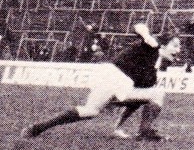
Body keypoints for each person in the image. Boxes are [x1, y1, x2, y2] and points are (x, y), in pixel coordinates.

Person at [21, 23, 181, 141]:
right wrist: (147, 36)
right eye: (175, 45)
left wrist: (117, 127)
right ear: (164, 45)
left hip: (111, 76)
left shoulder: (152, 70)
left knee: (90, 111)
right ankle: (145, 131)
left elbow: (135, 103)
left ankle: (37, 128)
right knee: (157, 93)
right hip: (116, 76)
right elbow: (138, 26)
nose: (178, 50)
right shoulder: (152, 47)